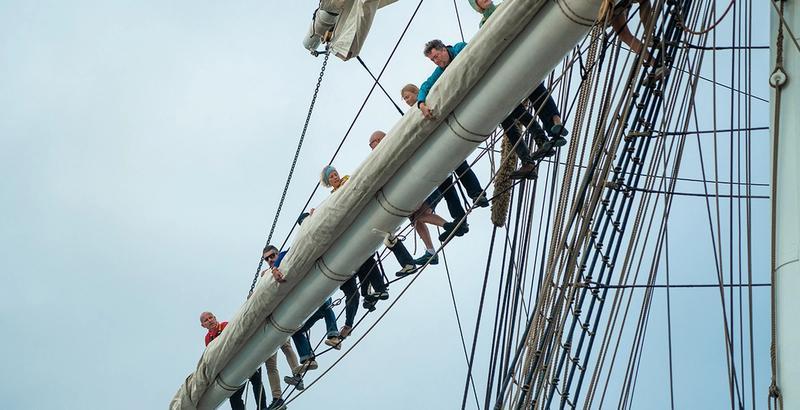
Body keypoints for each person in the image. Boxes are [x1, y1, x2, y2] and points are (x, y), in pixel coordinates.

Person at [200, 311, 269, 410]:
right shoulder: (208, 339)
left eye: (210, 318)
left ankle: (262, 408)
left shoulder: (225, 326)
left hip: (244, 357)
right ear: (203, 325)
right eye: (206, 320)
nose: (210, 321)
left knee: (256, 381)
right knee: (234, 397)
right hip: (232, 367)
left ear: (215, 317)